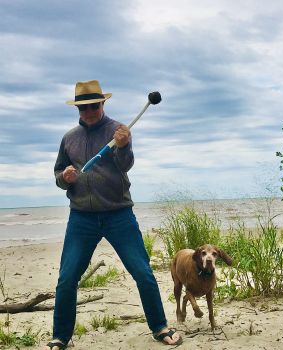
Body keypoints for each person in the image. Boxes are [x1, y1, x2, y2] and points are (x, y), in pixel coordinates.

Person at [44, 80, 183, 350]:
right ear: (78, 108)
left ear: (103, 104)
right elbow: (59, 176)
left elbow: (125, 165)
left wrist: (124, 146)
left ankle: (160, 327)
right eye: (83, 107)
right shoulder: (69, 138)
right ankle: (60, 337)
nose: (89, 111)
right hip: (81, 218)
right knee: (67, 278)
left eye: (94, 105)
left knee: (142, 272)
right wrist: (65, 177)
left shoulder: (119, 130)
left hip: (119, 214)